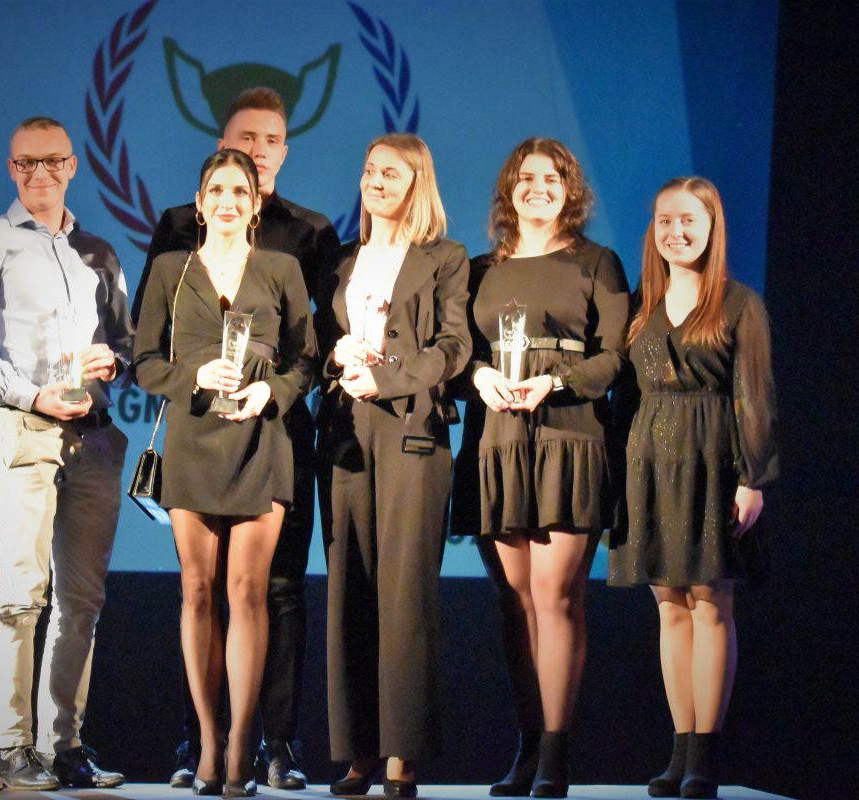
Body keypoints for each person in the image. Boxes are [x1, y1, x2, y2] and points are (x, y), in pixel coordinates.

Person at [135, 87, 340, 790]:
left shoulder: (287, 263)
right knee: (197, 592)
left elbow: (306, 357)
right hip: (194, 443)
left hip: (265, 442)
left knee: (256, 591)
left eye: (240, 191)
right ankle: (206, 746)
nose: (228, 199)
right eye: (216, 190)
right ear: (200, 202)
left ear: (255, 204)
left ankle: (252, 748)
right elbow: (144, 360)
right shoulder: (172, 266)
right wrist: (193, 377)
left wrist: (270, 392)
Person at [0, 116, 131, 790]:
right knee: (22, 596)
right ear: (11, 169)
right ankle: (12, 749)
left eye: (52, 161)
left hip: (94, 437)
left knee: (82, 602)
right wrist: (31, 394)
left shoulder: (99, 253)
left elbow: (127, 344)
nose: (40, 174)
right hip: (24, 428)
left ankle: (64, 745)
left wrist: (114, 361)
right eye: (26, 163)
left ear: (73, 166)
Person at [453, 138, 629, 798]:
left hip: (569, 435)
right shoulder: (480, 270)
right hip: (497, 439)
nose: (538, 188)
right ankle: (528, 748)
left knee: (557, 597)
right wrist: (479, 377)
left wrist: (554, 384)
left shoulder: (596, 262)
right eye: (526, 178)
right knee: (516, 601)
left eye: (552, 179)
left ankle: (556, 752)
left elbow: (614, 356)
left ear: (569, 190)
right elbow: (457, 354)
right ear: (509, 189)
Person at [608, 177, 778, 799]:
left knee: (710, 603)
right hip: (651, 463)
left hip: (713, 461)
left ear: (711, 228)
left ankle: (705, 753)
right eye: (665, 221)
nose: (675, 232)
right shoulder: (640, 307)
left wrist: (751, 477)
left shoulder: (738, 303)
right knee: (669, 607)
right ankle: (679, 749)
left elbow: (754, 395)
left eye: (688, 221)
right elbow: (625, 397)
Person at [315, 132, 471, 798]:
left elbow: (454, 345)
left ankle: (402, 752)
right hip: (346, 433)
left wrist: (391, 377)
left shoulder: (445, 258)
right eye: (370, 170)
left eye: (392, 174)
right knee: (350, 588)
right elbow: (317, 342)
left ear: (417, 185)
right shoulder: (342, 261)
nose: (375, 182)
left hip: (410, 431)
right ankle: (359, 751)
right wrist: (337, 360)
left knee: (405, 595)